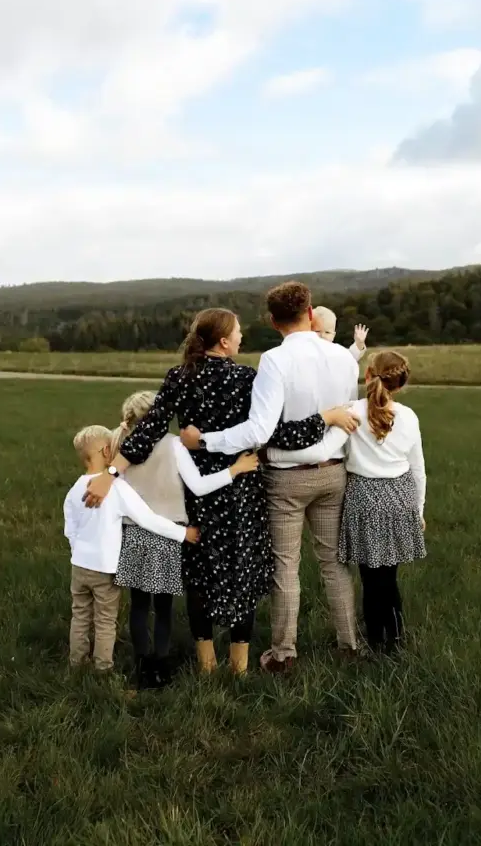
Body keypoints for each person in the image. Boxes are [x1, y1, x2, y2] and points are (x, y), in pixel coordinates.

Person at [83, 309, 351, 674]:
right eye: (238, 332)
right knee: (243, 571)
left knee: (200, 573)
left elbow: (148, 432)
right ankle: (238, 668)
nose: (242, 337)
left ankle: (206, 665)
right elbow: (275, 433)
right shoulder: (247, 378)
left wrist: (111, 473)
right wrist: (326, 418)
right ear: (223, 341)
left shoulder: (180, 376)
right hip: (242, 488)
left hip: (199, 491)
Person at [181, 283, 362, 672]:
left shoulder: (275, 361)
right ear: (311, 312)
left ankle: (284, 654)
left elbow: (258, 431)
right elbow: (343, 414)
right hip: (333, 472)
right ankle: (349, 644)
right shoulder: (345, 359)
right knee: (333, 564)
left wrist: (206, 441)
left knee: (286, 567)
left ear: (272, 320)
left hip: (286, 478)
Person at [267, 351, 426, 655]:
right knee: (389, 576)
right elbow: (417, 468)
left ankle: (377, 640)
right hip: (400, 497)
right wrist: (419, 509)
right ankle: (394, 637)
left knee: (370, 576)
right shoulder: (409, 416)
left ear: (367, 376)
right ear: (400, 383)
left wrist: (274, 456)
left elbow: (323, 450)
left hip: (364, 498)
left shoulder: (351, 411)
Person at [110, 391, 259, 688]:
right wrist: (235, 469)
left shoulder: (122, 447)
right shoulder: (175, 445)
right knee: (163, 606)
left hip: (132, 533)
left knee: (139, 605)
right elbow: (200, 486)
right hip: (168, 534)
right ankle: (162, 667)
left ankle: (143, 666)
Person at [64, 424, 198, 673]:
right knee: (105, 620)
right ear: (107, 451)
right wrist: (183, 533)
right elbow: (147, 519)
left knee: (80, 616)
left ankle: (77, 663)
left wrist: (78, 552)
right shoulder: (115, 489)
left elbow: (69, 530)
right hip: (104, 568)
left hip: (79, 567)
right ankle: (102, 669)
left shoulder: (74, 490)